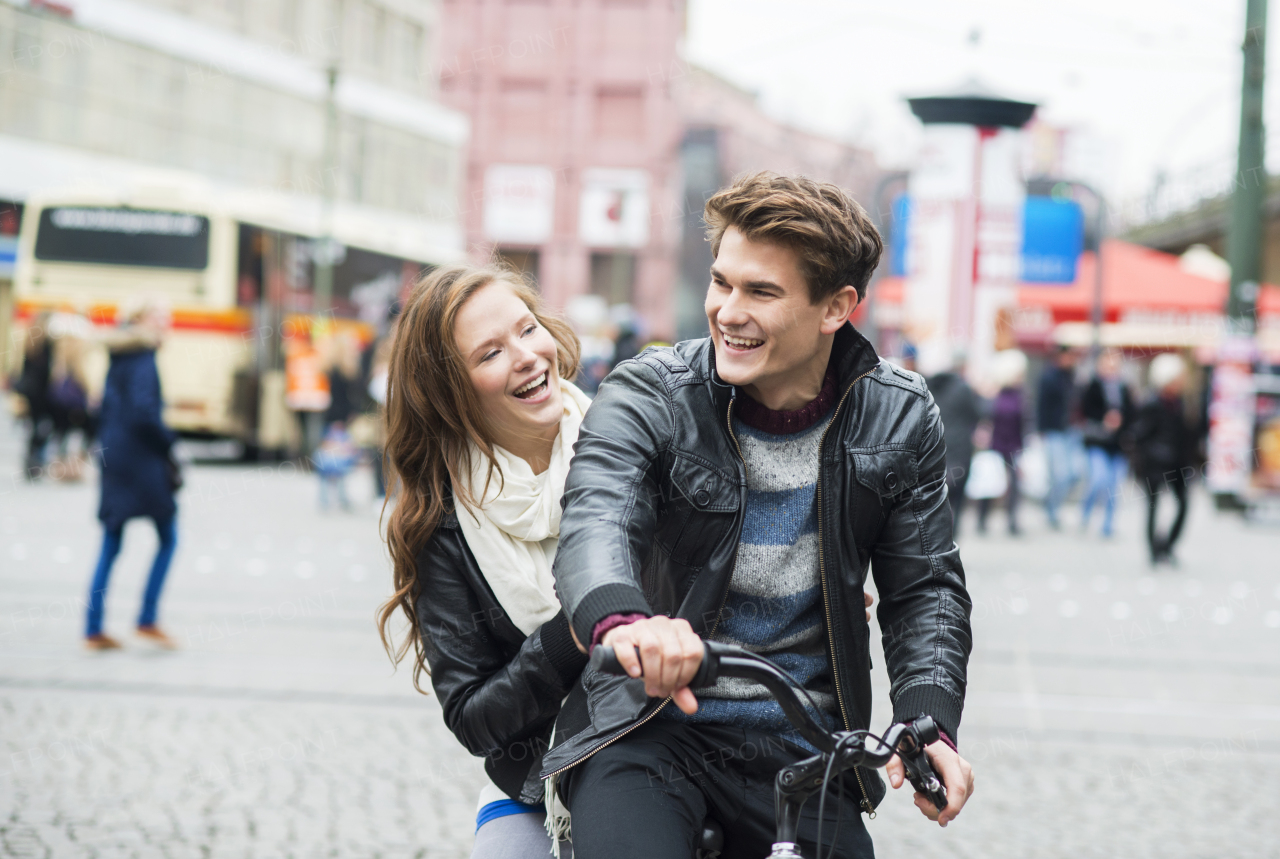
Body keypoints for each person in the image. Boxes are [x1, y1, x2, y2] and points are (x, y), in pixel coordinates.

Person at [546, 172, 974, 859]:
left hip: (806, 745)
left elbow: (923, 587)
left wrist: (928, 718)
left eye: (762, 292)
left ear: (836, 306)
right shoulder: (648, 391)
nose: (727, 311)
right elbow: (596, 520)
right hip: (650, 725)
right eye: (723, 283)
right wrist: (629, 623)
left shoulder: (900, 412)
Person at [376, 263, 591, 859]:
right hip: (534, 784)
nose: (526, 356)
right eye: (490, 353)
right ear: (451, 393)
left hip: (675, 754)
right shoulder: (441, 523)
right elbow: (473, 717)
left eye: (527, 330)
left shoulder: (631, 445)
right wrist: (574, 634)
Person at [84, 301, 180, 651]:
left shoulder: (120, 354)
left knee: (111, 540)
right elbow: (143, 411)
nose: (167, 323)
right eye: (160, 316)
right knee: (168, 536)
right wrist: (168, 440)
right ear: (141, 319)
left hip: (115, 456)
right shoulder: (143, 356)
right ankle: (147, 619)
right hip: (141, 461)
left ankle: (93, 627)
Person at [1131, 353, 1197, 566]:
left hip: (1178, 463)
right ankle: (1154, 550)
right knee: (1153, 507)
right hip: (1155, 464)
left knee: (1183, 504)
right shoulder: (1151, 404)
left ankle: (1167, 546)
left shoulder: (1182, 403)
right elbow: (1139, 435)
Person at [927, 353, 983, 536]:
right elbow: (976, 414)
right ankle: (950, 537)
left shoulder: (928, 386)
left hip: (932, 447)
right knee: (956, 498)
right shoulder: (963, 388)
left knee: (932, 496)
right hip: (959, 448)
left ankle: (931, 537)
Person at [1080, 349, 1134, 538]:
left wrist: (1121, 421)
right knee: (1098, 480)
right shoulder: (1093, 385)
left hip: (1118, 445)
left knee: (1114, 487)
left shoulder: (1124, 388)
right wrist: (1105, 419)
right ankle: (1085, 514)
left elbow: (1132, 414)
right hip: (1098, 442)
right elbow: (1085, 410)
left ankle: (1108, 524)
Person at [978, 350, 1027, 536]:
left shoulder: (1020, 395)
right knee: (990, 483)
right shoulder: (994, 394)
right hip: (995, 444)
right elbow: (984, 417)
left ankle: (1012, 521)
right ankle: (982, 519)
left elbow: (1023, 423)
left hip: (1013, 446)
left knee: (1014, 485)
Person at [1037, 345, 1078, 529]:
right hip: (1053, 430)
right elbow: (1041, 405)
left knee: (1073, 473)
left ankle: (1052, 503)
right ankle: (1052, 509)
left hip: (1071, 431)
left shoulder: (1072, 377)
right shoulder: (1049, 377)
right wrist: (1041, 429)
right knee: (1058, 475)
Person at [14, 312, 54, 478]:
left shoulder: (29, 340)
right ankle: (36, 461)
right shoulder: (49, 343)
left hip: (31, 392)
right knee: (43, 427)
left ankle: (31, 459)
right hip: (44, 393)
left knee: (33, 427)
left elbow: (23, 368)